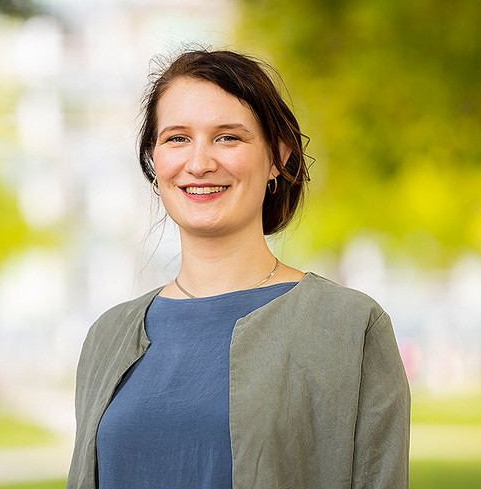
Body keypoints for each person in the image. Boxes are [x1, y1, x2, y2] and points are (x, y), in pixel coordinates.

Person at [66, 49, 410, 489]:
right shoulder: (107, 336)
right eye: (177, 138)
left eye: (228, 137)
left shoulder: (349, 327)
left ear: (278, 158)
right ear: (154, 162)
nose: (200, 162)